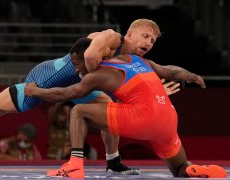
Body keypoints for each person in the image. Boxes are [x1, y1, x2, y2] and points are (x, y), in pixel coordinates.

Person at [0, 19, 203, 174]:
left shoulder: (129, 58)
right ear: (129, 32)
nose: (148, 44)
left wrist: (186, 76)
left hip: (82, 82)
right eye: (144, 36)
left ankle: (113, 159)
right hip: (52, 75)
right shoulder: (112, 38)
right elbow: (92, 55)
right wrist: (105, 83)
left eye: (152, 41)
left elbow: (161, 71)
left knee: (109, 110)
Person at [24, 37, 227, 178]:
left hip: (144, 116)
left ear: (87, 57)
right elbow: (169, 71)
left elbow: (64, 94)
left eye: (76, 64)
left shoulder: (98, 74)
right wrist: (191, 76)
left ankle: (75, 166)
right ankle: (192, 170)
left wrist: (35, 91)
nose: (76, 70)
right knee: (179, 168)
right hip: (168, 116)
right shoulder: (134, 59)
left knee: (79, 111)